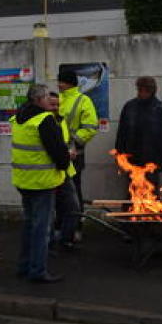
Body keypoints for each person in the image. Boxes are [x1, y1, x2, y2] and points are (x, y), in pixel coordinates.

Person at [11, 84, 71, 283]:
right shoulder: (44, 120)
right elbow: (58, 152)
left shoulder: (19, 119)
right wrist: (66, 160)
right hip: (42, 183)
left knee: (29, 225)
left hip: (24, 181)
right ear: (38, 100)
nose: (49, 101)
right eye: (46, 97)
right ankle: (37, 270)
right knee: (42, 229)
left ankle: (24, 266)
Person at [58, 70, 98, 241]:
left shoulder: (83, 100)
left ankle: (75, 229)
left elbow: (90, 127)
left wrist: (73, 143)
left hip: (75, 155)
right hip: (57, 154)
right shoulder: (57, 99)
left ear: (69, 83)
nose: (58, 84)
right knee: (59, 193)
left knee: (74, 193)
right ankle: (61, 227)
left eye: (61, 81)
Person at [114, 76, 162, 198]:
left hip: (151, 163)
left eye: (145, 90)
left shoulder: (160, 109)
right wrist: (120, 157)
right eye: (140, 90)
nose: (141, 93)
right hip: (132, 162)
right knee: (132, 194)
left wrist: (160, 163)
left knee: (151, 196)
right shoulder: (129, 107)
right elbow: (122, 133)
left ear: (151, 91)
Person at [48, 92, 81, 251]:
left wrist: (71, 149)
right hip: (50, 173)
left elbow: (68, 142)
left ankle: (65, 238)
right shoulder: (43, 124)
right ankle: (51, 242)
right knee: (50, 211)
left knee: (73, 207)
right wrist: (65, 153)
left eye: (57, 105)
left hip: (65, 171)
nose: (56, 108)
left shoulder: (61, 121)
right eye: (52, 105)